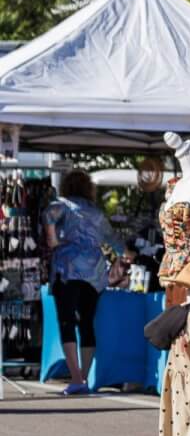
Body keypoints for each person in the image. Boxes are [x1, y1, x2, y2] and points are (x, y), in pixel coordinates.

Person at [42, 169, 123, 394]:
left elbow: (47, 215)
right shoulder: (96, 212)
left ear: (67, 186)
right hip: (95, 274)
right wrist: (128, 254)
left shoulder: (62, 205)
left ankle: (76, 377)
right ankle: (84, 377)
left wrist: (52, 238)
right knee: (87, 322)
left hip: (67, 269)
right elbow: (114, 240)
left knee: (67, 322)